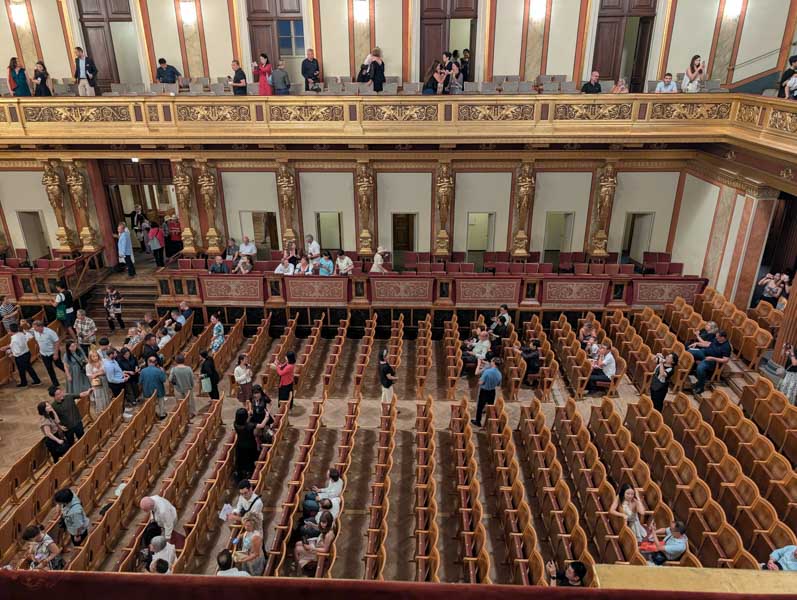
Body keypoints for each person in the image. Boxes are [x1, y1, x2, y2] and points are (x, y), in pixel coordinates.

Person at [689, 330, 731, 396]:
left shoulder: (726, 347)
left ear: (723, 338)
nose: (716, 338)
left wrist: (712, 358)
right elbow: (708, 344)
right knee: (689, 351)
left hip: (712, 361)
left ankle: (700, 386)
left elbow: (725, 360)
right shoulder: (716, 339)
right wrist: (697, 343)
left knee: (700, 368)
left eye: (718, 337)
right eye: (716, 337)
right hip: (705, 353)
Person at [1, 323, 40, 387]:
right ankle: (32, 381)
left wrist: (10, 352)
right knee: (28, 368)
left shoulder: (14, 339)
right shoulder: (21, 334)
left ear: (10, 331)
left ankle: (27, 382)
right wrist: (6, 347)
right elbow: (15, 344)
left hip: (21, 357)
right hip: (27, 353)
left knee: (23, 370)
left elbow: (17, 351)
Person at [234, 407, 266, 481]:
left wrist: (248, 415)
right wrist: (267, 417)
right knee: (250, 460)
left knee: (242, 460)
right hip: (250, 445)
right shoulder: (250, 426)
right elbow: (262, 425)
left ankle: (241, 474)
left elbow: (244, 421)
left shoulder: (235, 424)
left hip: (240, 445)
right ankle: (251, 474)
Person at [471, 357, 502, 428]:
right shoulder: (499, 374)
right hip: (492, 392)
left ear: (493, 363)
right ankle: (487, 423)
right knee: (490, 408)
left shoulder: (487, 372)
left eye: (491, 361)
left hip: (484, 391)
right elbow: (498, 384)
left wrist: (480, 381)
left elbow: (480, 382)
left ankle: (478, 421)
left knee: (480, 407)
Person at [32, 320, 64, 387]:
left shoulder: (50, 332)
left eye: (35, 327)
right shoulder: (35, 332)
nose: (34, 329)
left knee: (59, 365)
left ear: (40, 327)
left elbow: (57, 342)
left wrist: (56, 353)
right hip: (44, 354)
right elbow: (38, 342)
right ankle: (55, 383)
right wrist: (39, 352)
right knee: (49, 368)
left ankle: (69, 373)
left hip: (53, 352)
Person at [236, 511, 265, 575]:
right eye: (245, 525)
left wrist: (243, 560)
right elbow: (246, 533)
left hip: (253, 560)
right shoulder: (249, 530)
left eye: (248, 526)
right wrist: (238, 537)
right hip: (247, 554)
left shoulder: (256, 537)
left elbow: (256, 554)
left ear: (254, 525)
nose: (246, 527)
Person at [169, 353, 196, 418]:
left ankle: (182, 415)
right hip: (188, 388)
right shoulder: (188, 369)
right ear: (184, 360)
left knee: (180, 403)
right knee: (190, 402)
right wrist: (192, 386)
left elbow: (170, 379)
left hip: (178, 389)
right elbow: (192, 378)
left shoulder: (174, 369)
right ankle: (190, 414)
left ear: (176, 361)